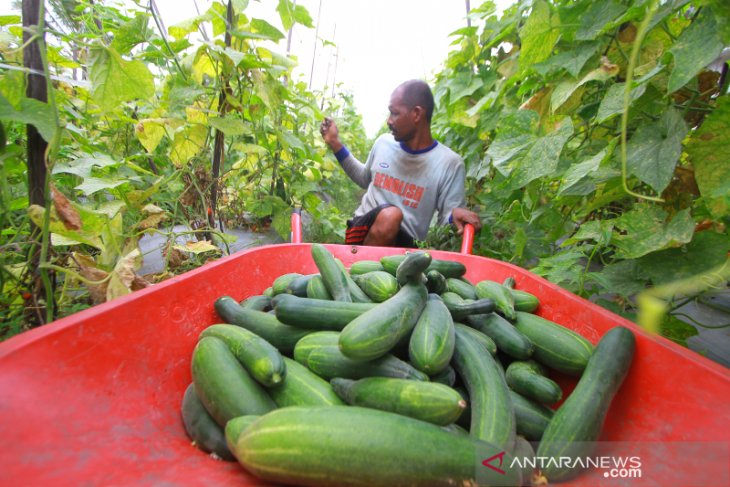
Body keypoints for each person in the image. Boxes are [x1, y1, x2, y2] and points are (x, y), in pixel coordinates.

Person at [319, 79, 482, 247]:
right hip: (362, 230)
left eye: (395, 113)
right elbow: (363, 178)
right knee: (391, 217)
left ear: (417, 114)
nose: (389, 120)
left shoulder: (450, 164)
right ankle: (360, 268)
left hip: (406, 247)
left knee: (392, 219)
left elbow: (446, 222)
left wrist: (453, 216)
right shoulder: (383, 143)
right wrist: (335, 143)